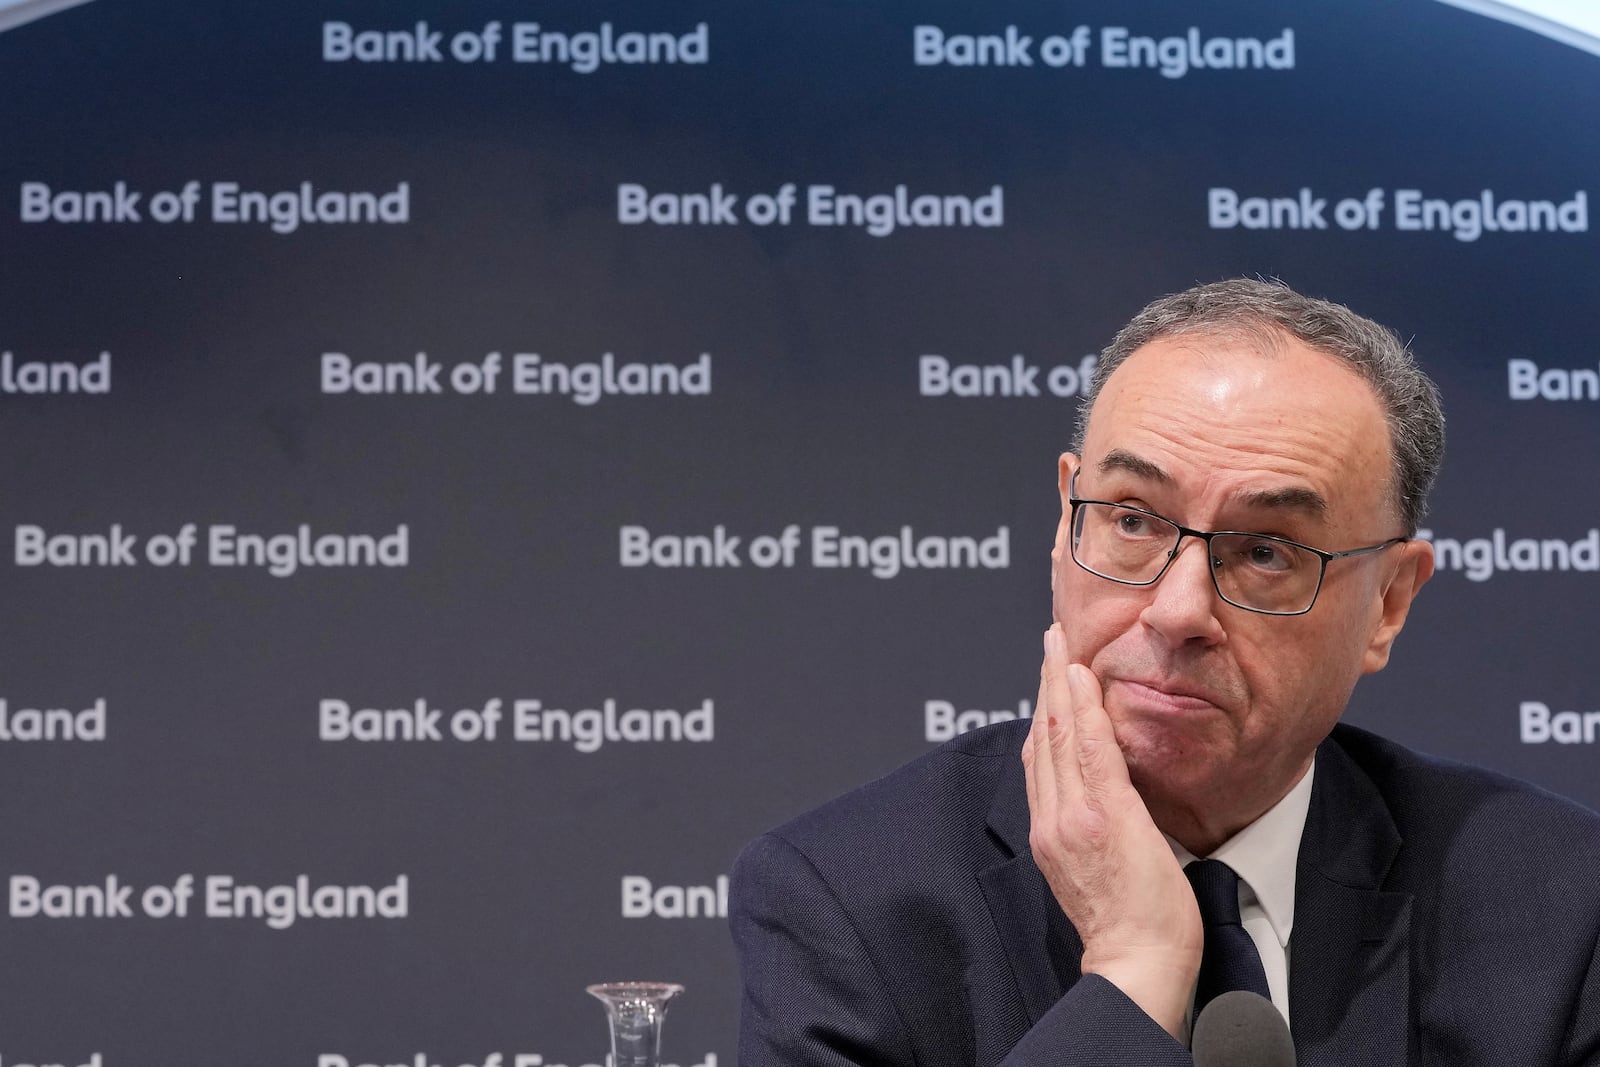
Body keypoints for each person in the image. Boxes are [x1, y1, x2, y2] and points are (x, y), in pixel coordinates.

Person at [729, 278, 1600, 1065]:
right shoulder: (848, 902)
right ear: (1068, 521)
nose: (1179, 611)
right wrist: (1135, 970)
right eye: (1134, 522)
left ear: (1389, 604)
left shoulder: (1561, 907)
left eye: (1265, 550)